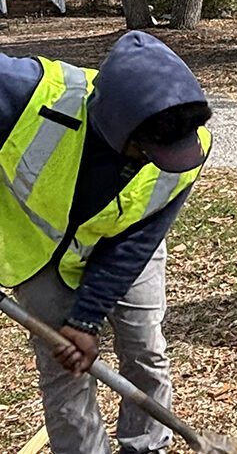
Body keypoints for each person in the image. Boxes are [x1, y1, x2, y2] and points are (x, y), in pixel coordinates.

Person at [0, 31, 213, 453]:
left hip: (125, 247)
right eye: (148, 149)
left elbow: (138, 240)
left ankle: (147, 445)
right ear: (117, 123)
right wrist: (74, 330)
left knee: (145, 348)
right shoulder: (28, 94)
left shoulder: (189, 147)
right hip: (41, 254)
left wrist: (87, 320)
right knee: (66, 372)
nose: (157, 160)